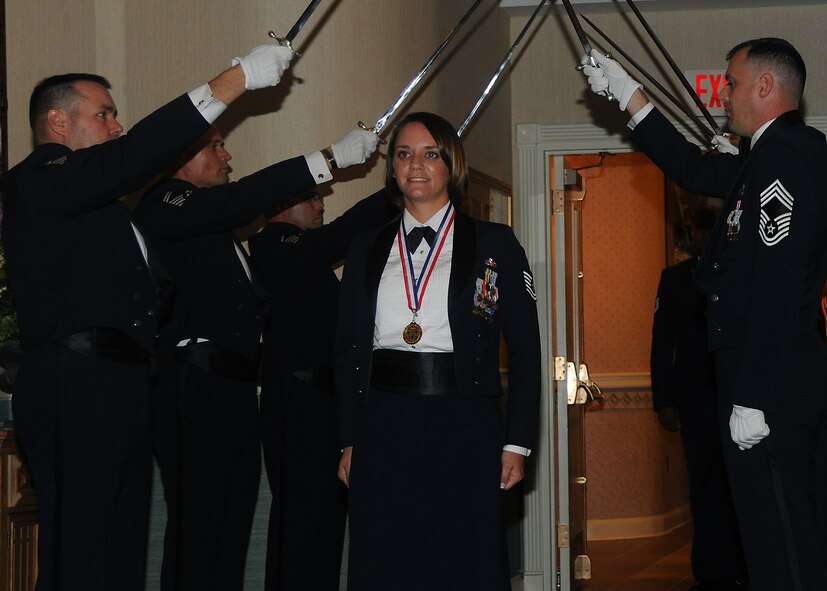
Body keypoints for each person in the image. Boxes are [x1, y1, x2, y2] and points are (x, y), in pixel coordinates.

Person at [1, 44, 293, 591]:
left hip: (121, 380)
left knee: (120, 549)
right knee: (82, 547)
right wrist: (234, 81)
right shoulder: (39, 178)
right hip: (73, 377)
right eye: (104, 114)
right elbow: (132, 156)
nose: (116, 126)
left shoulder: (98, 203)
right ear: (58, 122)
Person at [581, 38, 827, 591]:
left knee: (779, 541)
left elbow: (777, 282)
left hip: (771, 384)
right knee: (775, 538)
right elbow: (692, 169)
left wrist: (754, 395)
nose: (724, 97)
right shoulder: (769, 156)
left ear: (766, 86)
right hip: (777, 375)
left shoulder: (782, 157)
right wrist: (627, 93)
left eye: (733, 84)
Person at [132, 123, 378, 590]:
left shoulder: (216, 228)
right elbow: (242, 200)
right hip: (195, 384)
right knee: (199, 529)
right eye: (215, 146)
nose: (226, 156)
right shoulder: (166, 201)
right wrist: (328, 158)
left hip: (234, 389)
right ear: (180, 158)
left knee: (229, 529)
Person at [334, 112, 541, 591]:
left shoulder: (494, 243)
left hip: (463, 423)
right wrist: (348, 438)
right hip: (382, 424)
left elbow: (526, 351)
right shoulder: (366, 247)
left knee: (463, 558)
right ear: (392, 169)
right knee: (387, 557)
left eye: (430, 154)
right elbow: (346, 349)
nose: (416, 165)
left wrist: (516, 443)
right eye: (404, 154)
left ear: (452, 164)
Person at [248, 188, 396, 590]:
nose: (321, 205)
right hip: (298, 401)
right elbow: (338, 237)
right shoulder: (273, 244)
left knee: (326, 519)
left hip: (321, 401)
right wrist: (395, 188)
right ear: (282, 205)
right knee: (301, 519)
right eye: (311, 199)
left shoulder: (303, 255)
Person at [650, 208, 746, 591]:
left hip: (738, 395)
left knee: (738, 482)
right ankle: (709, 570)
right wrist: (665, 400)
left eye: (706, 229)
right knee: (704, 483)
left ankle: (744, 565)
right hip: (695, 399)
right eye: (695, 230)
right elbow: (662, 342)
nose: (699, 237)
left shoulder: (738, 271)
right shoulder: (674, 279)